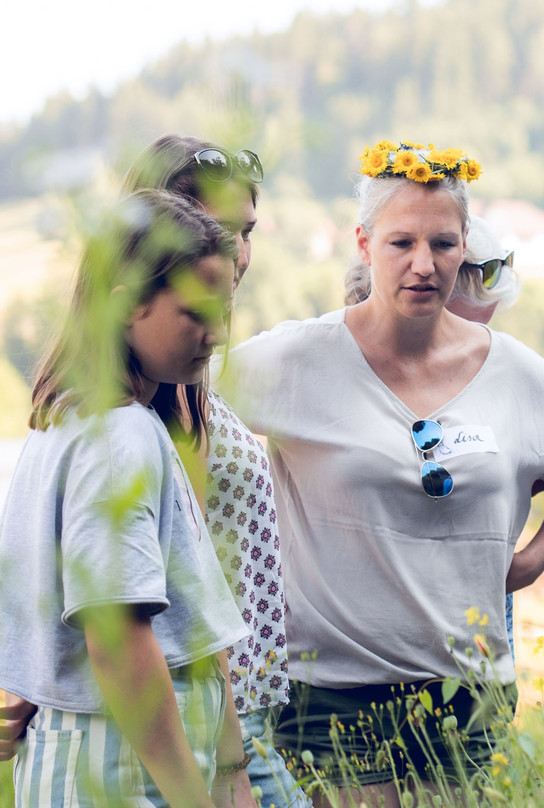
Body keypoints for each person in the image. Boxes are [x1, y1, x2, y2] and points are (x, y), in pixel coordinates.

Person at [214, 141, 544, 808]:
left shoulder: (514, 371)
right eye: (401, 243)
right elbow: (175, 402)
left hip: (468, 692)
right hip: (331, 690)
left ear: (464, 247)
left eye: (444, 245)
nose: (424, 265)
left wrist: (533, 559)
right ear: (364, 244)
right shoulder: (297, 359)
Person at [0, 189, 250, 807]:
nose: (216, 332)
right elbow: (117, 639)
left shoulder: (69, 422)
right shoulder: (119, 435)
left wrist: (230, 772)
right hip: (122, 765)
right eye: (195, 311)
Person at [121, 134, 311, 808]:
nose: (233, 248)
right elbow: (181, 580)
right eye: (213, 227)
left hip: (236, 707)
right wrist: (231, 765)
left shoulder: (186, 375)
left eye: (245, 230)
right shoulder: (156, 390)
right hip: (202, 712)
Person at [344, 214, 526, 657]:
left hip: (475, 636)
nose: (472, 347)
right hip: (362, 642)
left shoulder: (504, 371)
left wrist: (526, 561)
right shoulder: (336, 368)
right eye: (464, 328)